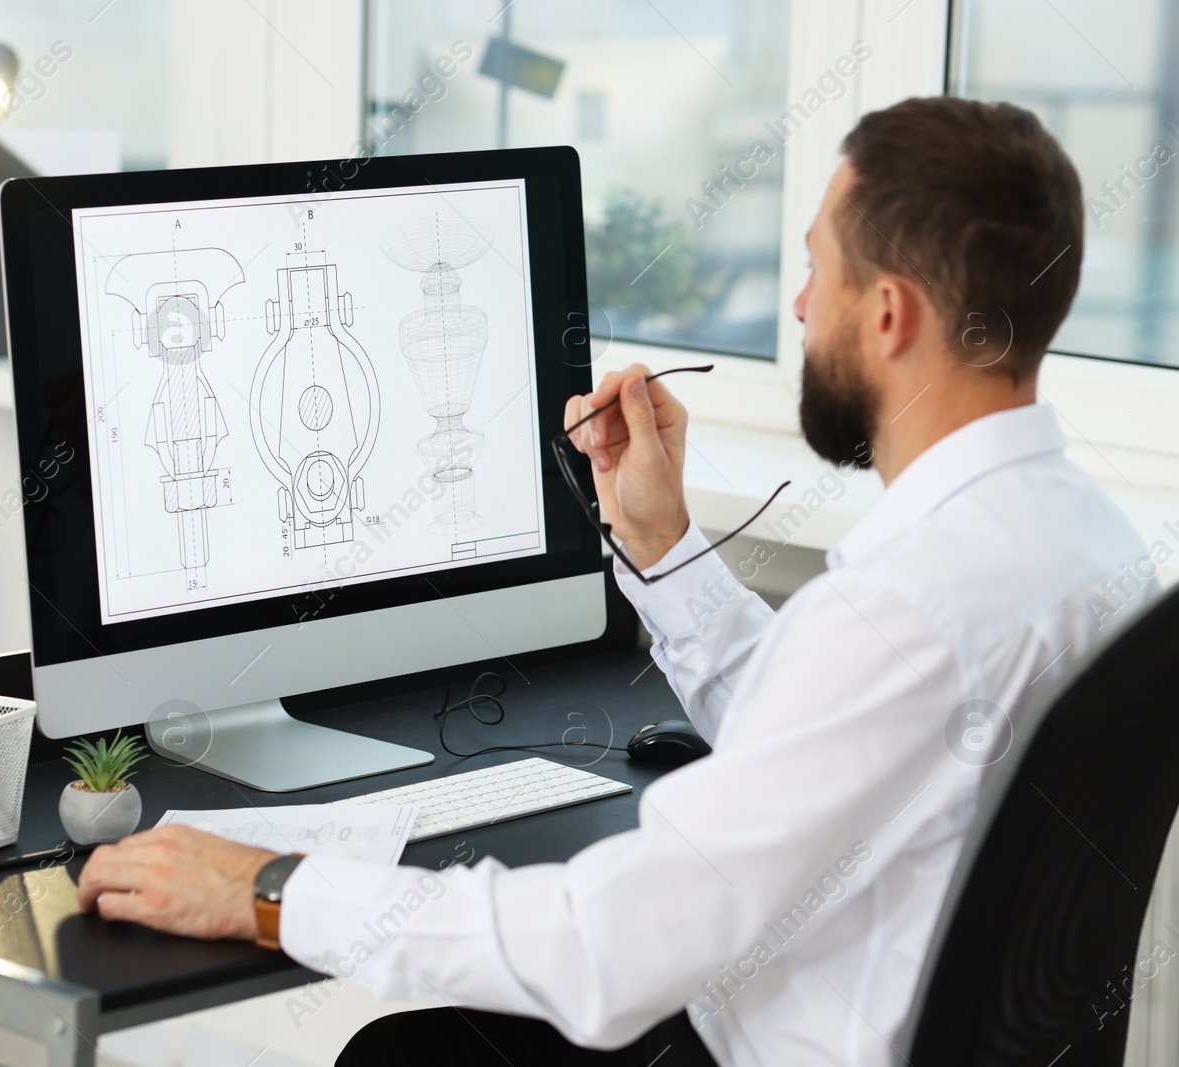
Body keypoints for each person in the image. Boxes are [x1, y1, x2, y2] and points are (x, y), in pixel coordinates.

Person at [73, 97, 1156, 1067]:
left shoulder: (901, 606)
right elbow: (828, 743)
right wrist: (660, 540)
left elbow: (604, 950)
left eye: (817, 267)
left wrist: (265, 891)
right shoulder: (1087, 541)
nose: (795, 303)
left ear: (888, 314)